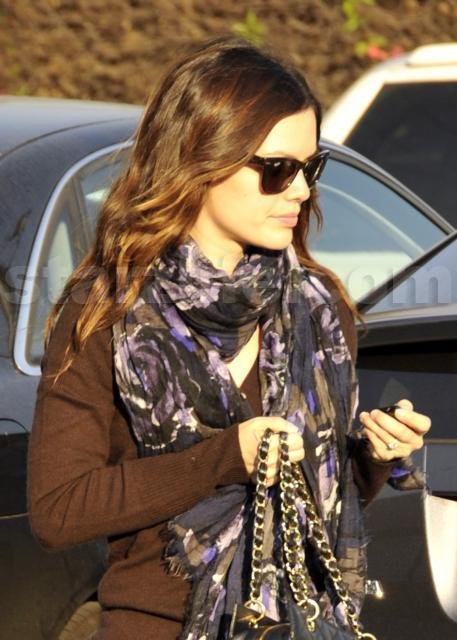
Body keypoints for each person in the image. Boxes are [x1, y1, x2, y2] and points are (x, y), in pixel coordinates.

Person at [27, 37, 431, 640]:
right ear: (202, 161)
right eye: (277, 169)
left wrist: (374, 458)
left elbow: (317, 507)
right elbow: (59, 510)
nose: (301, 190)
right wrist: (222, 460)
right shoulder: (106, 311)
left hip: (300, 625)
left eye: (310, 168)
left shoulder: (318, 308)